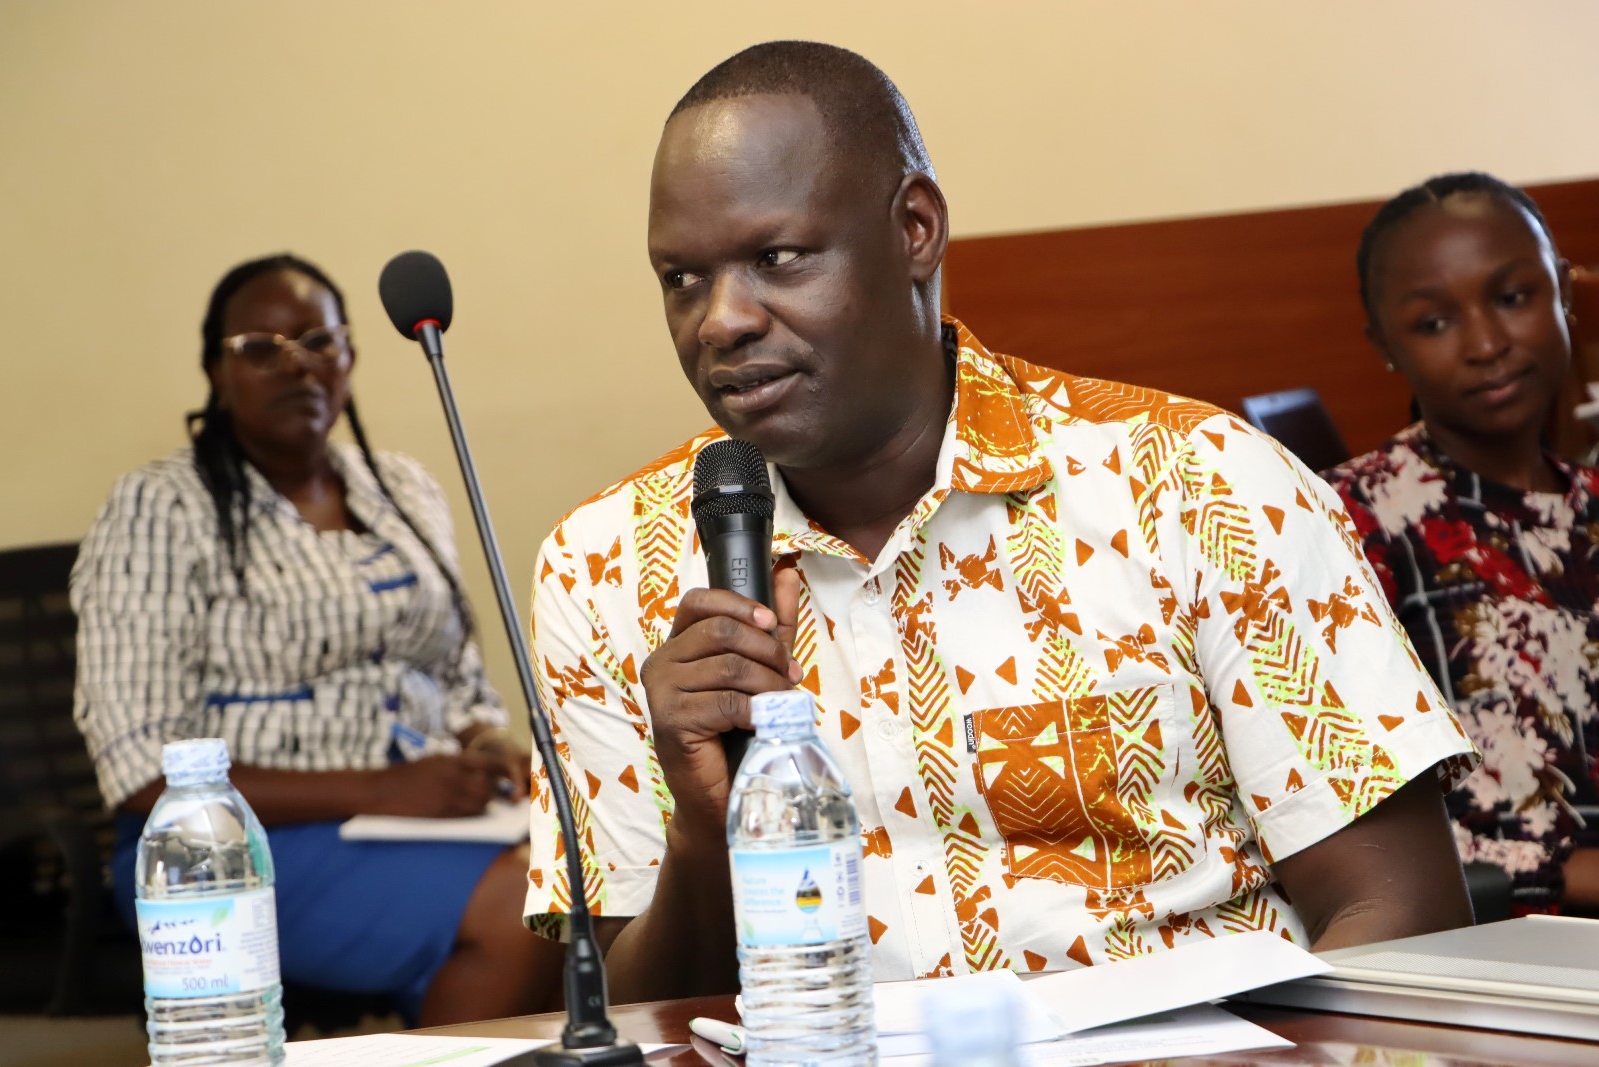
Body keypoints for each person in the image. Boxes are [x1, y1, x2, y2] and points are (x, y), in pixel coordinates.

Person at [523, 41, 1478, 1003]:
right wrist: (703, 828)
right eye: (681, 278)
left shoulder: (1195, 484)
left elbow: (1401, 909)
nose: (720, 320)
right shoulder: (604, 566)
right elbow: (634, 1015)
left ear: (914, 229)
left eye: (776, 257)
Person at [73, 254, 563, 1025]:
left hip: (427, 823)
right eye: (261, 347)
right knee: (528, 904)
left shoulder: (402, 486)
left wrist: (484, 738)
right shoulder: (160, 505)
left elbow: (458, 670)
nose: (294, 363)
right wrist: (382, 790)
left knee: (598, 871)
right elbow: (139, 764)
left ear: (351, 357)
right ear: (216, 369)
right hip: (225, 850)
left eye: (317, 341)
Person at [1322, 173, 1599, 916]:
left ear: (1564, 292)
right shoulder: (1350, 521)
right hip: (1497, 938)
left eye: (1513, 298)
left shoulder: (1587, 503)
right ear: (1384, 343)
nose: (1485, 344)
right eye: (1435, 323)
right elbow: (1339, 805)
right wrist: (1561, 875)